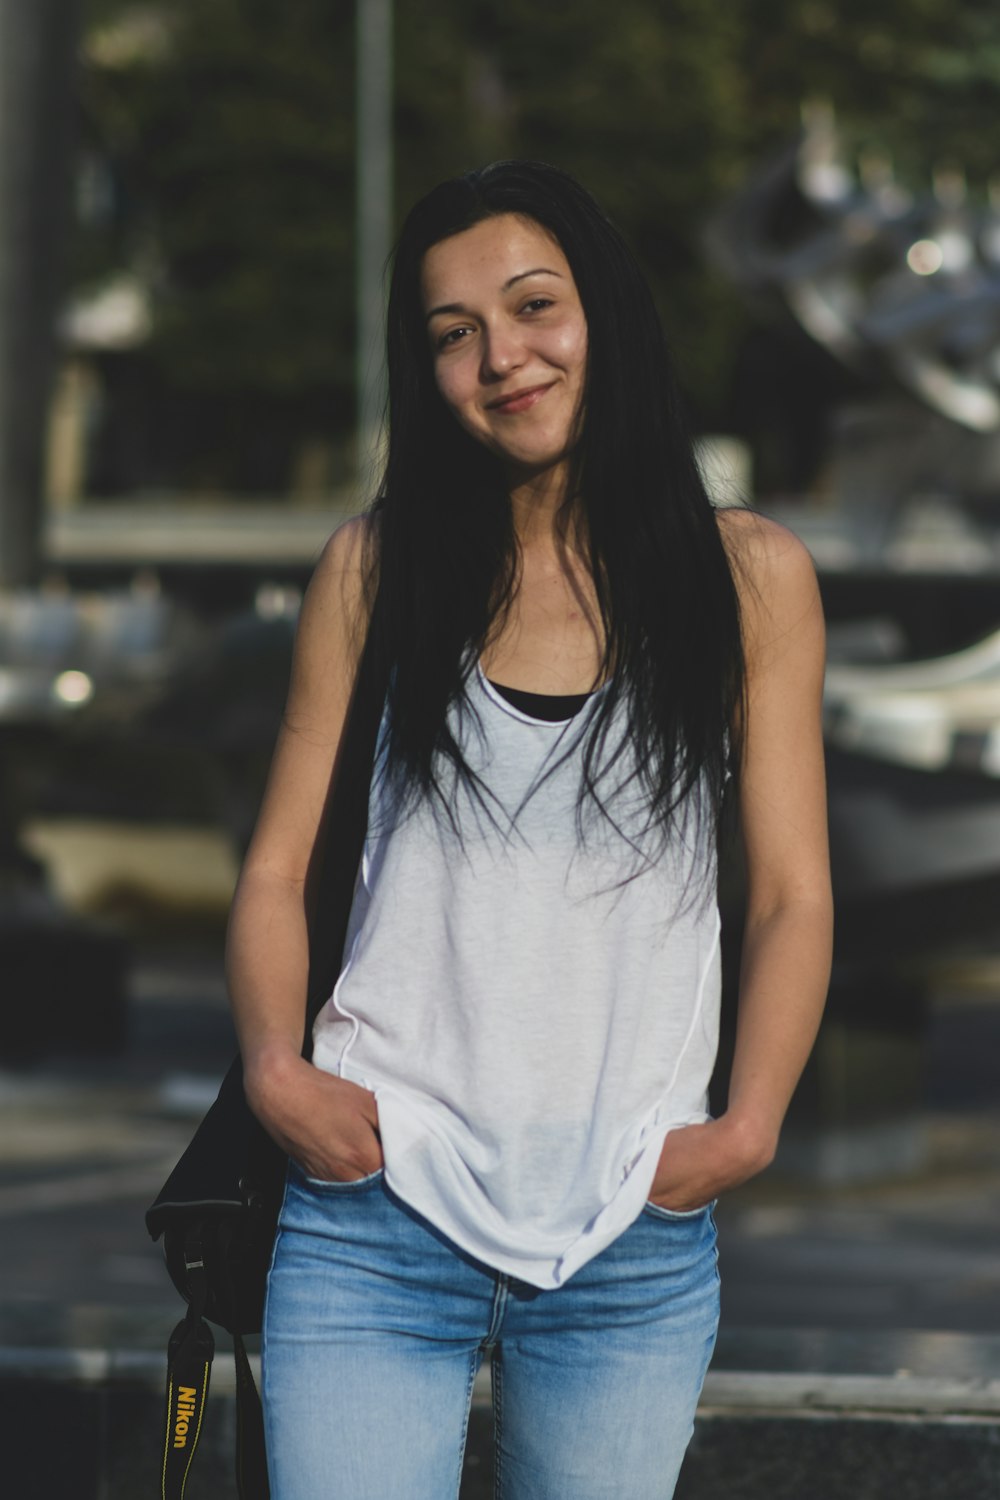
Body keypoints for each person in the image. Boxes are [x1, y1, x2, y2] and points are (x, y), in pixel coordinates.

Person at [225, 159, 833, 1500]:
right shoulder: (374, 570)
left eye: (533, 307)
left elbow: (791, 894)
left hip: (629, 1236)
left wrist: (745, 1132)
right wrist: (279, 1071)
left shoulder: (750, 580)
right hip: (374, 1222)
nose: (503, 357)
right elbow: (274, 869)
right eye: (454, 335)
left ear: (603, 314)